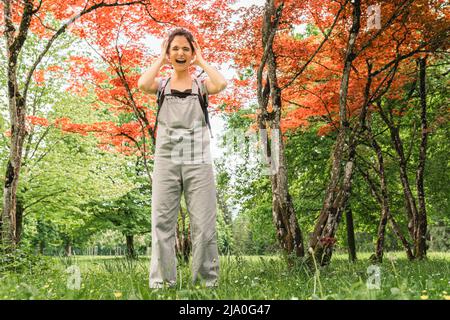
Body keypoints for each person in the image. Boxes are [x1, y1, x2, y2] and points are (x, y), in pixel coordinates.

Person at [138, 28, 227, 289]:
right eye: (175, 48)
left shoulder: (201, 84)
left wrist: (201, 62)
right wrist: (160, 59)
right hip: (166, 158)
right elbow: (143, 84)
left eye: (185, 49)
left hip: (197, 159)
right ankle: (162, 284)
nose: (180, 53)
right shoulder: (162, 85)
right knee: (162, 223)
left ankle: (204, 284)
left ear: (192, 52)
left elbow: (220, 84)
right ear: (169, 52)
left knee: (204, 223)